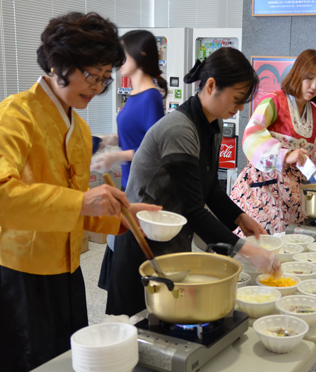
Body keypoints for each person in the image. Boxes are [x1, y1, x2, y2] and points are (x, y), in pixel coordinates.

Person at [0, 12, 161, 372]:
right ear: (60, 63)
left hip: (68, 271)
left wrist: (122, 216)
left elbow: (81, 206)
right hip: (23, 274)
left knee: (69, 360)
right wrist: (82, 200)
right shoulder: (14, 116)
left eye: (105, 79)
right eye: (92, 75)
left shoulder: (77, 124)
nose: (97, 88)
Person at [105, 47, 281, 317]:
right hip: (141, 243)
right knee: (144, 328)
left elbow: (209, 188)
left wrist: (239, 217)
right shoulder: (180, 130)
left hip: (171, 242)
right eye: (237, 99)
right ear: (211, 86)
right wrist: (248, 251)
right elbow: (192, 209)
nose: (240, 108)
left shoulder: (212, 124)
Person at [93, 30, 167, 291]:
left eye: (121, 54)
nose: (117, 60)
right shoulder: (133, 94)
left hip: (141, 188)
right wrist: (108, 141)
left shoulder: (151, 97)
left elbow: (152, 150)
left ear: (140, 54)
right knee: (119, 255)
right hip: (127, 184)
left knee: (128, 261)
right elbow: (133, 136)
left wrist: (115, 156)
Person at [230, 49, 316, 235]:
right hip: (263, 190)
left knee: (286, 248)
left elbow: (315, 148)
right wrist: (285, 155)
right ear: (297, 74)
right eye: (309, 77)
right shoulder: (274, 101)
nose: (314, 85)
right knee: (256, 245)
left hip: (292, 195)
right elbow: (251, 135)